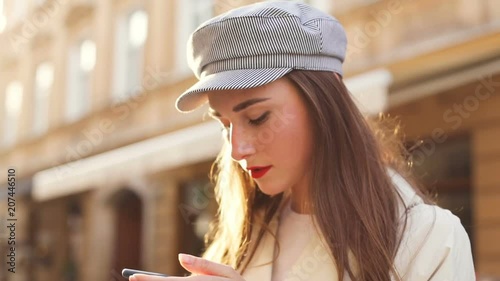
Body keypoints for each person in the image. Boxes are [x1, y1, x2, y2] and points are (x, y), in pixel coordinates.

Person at [131, 1, 475, 280]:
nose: (237, 150)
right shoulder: (241, 229)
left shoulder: (428, 239)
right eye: (225, 125)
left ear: (326, 101)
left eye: (257, 118)